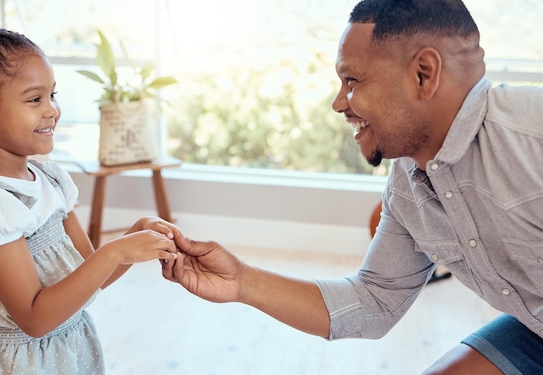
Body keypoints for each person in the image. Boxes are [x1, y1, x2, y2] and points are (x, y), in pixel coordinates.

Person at [162, 0, 543, 374]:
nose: (339, 103)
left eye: (352, 80)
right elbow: (374, 302)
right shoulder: (407, 183)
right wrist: (242, 281)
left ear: (423, 74)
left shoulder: (532, 134)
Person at [0, 5, 180, 374]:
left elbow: (87, 277)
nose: (52, 110)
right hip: (25, 361)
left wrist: (135, 235)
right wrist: (114, 252)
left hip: (69, 348)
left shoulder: (48, 179)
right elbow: (35, 318)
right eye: (35, 99)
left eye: (53, 95)